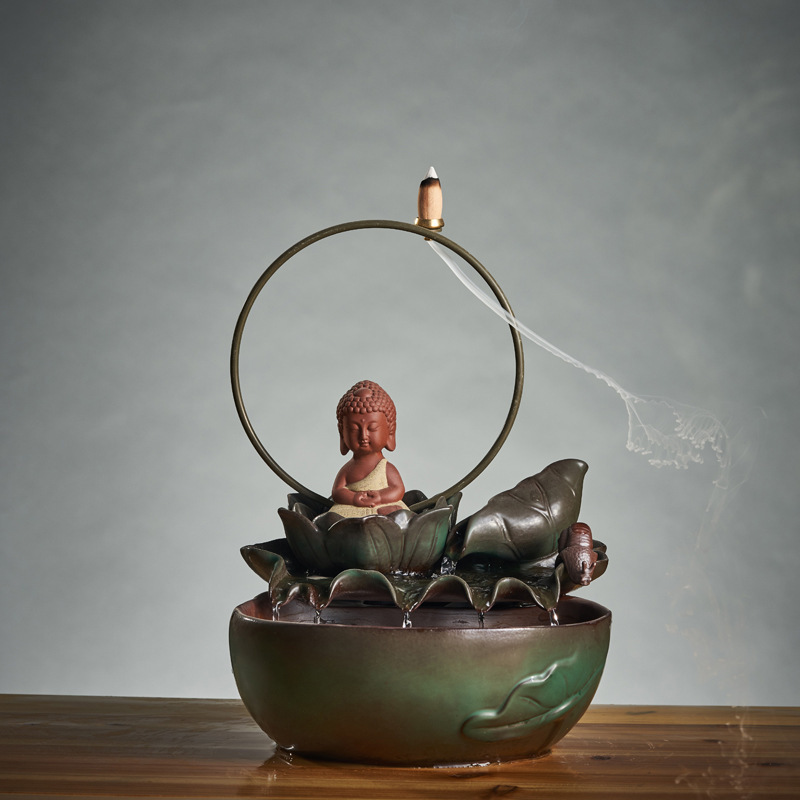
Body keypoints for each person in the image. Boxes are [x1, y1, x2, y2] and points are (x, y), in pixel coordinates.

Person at [329, 380, 408, 518]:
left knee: (398, 516)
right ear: (342, 433)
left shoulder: (385, 468)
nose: (363, 436)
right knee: (334, 519)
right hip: (351, 511)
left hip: (381, 507)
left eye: (372, 428)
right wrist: (354, 498)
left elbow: (398, 489)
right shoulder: (347, 469)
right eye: (353, 429)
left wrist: (380, 497)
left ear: (389, 431)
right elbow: (337, 492)